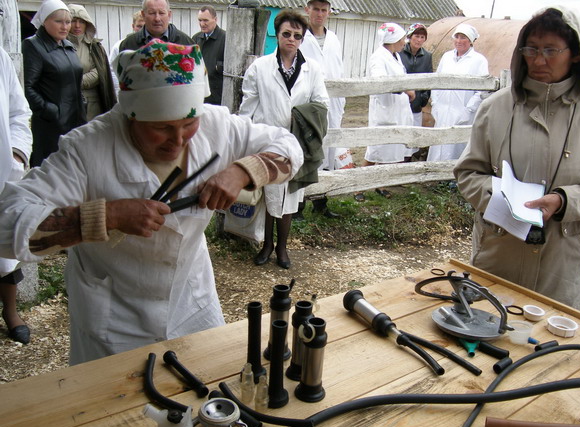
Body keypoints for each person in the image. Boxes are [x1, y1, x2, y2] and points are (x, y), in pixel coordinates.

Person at [0, 40, 302, 364]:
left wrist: (242, 171)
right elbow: (6, 223)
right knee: (113, 407)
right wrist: (107, 215)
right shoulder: (87, 149)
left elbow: (290, 148)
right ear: (131, 114)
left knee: (203, 390)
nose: (179, 140)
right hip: (114, 317)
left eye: (189, 124)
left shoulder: (216, 126)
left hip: (191, 299)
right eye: (161, 128)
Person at [453, 7, 580, 309]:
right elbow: (469, 173)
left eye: (550, 50)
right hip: (499, 252)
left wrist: (563, 201)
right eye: (531, 49)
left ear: (576, 54)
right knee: (484, 326)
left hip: (562, 262)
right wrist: (502, 201)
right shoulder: (496, 107)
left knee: (549, 344)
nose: (538, 60)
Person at [239, 10, 329, 269]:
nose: (291, 39)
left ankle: (282, 248)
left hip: (297, 141)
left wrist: (299, 117)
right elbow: (248, 106)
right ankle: (267, 244)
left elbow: (321, 102)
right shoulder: (260, 67)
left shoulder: (311, 69)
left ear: (302, 38)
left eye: (297, 35)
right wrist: (246, 138)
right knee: (270, 193)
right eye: (286, 34)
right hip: (269, 141)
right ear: (277, 35)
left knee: (289, 196)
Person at [23, 0, 86, 167]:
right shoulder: (33, 46)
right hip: (50, 126)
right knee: (51, 173)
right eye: (58, 21)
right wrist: (49, 110)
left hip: (76, 120)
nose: (65, 27)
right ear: (44, 21)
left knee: (74, 170)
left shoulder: (68, 45)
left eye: (67, 22)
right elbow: (28, 87)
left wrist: (82, 104)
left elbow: (76, 79)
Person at [297, 0, 343, 218]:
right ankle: (298, 204)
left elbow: (338, 69)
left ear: (329, 12)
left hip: (332, 102)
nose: (319, 14)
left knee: (327, 150)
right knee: (307, 148)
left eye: (324, 10)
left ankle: (321, 201)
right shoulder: (300, 37)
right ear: (308, 10)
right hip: (308, 102)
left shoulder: (333, 39)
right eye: (315, 9)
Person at [0, 46, 32, 345]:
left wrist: (17, 153)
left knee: (4, 253)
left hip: (1, 171)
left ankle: (11, 312)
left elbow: (17, 110)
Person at [360, 22, 414, 200]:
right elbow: (379, 80)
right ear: (393, 39)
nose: (404, 42)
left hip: (396, 109)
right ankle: (357, 187)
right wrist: (404, 88)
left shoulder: (395, 56)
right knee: (375, 149)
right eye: (402, 38)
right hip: (385, 109)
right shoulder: (378, 57)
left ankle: (380, 184)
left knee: (388, 151)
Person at [427, 24, 488, 162]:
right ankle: (435, 174)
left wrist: (469, 110)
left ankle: (452, 178)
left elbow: (481, 90)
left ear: (471, 41)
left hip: (462, 110)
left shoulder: (479, 60)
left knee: (457, 145)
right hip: (442, 109)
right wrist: (435, 103)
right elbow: (437, 81)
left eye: (463, 38)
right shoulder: (447, 57)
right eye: (457, 37)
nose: (459, 41)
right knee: (439, 142)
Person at [68, 4, 116, 121]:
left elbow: (100, 71)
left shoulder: (95, 47)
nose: (77, 25)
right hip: (67, 102)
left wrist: (77, 81)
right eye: (73, 21)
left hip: (92, 105)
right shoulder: (59, 46)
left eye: (82, 22)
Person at [399, 23, 433, 162]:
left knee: (413, 136)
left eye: (422, 37)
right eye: (416, 36)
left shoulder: (427, 56)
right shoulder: (399, 53)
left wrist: (424, 97)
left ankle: (408, 164)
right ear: (410, 37)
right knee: (400, 133)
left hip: (416, 103)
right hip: (401, 101)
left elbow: (429, 78)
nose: (419, 40)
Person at [119, 0, 192, 52]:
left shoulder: (187, 43)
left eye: (161, 13)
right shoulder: (128, 44)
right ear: (143, 14)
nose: (157, 18)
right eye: (152, 13)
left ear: (169, 15)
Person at [193, 6, 226, 105]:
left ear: (215, 19)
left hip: (217, 98)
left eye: (205, 20)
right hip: (199, 97)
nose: (202, 24)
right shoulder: (195, 39)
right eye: (200, 20)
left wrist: (218, 67)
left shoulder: (226, 39)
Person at [109, 11, 145, 95]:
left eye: (144, 26)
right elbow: (112, 70)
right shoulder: (120, 45)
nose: (142, 30)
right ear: (133, 26)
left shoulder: (153, 47)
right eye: (139, 26)